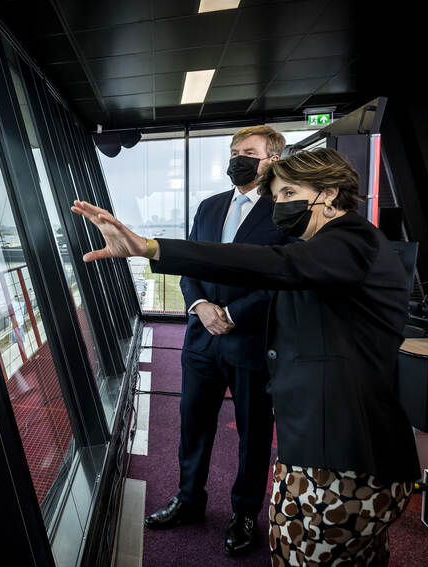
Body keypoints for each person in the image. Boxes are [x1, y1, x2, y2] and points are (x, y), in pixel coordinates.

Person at [72, 147, 420, 566]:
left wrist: (151, 248)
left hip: (342, 455)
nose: (281, 206)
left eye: (290, 192)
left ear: (328, 194)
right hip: (326, 443)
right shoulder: (335, 245)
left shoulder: (351, 241)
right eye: (278, 196)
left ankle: (243, 514)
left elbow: (275, 266)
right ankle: (190, 498)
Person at [144, 125, 288, 557]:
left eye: (247, 151)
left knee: (253, 432)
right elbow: (191, 266)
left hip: (249, 340)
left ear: (272, 160)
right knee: (193, 424)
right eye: (233, 150)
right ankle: (188, 500)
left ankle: (245, 513)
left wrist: (234, 314)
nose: (236, 158)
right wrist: (200, 306)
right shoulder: (208, 207)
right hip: (201, 340)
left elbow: (283, 278)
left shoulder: (284, 212)